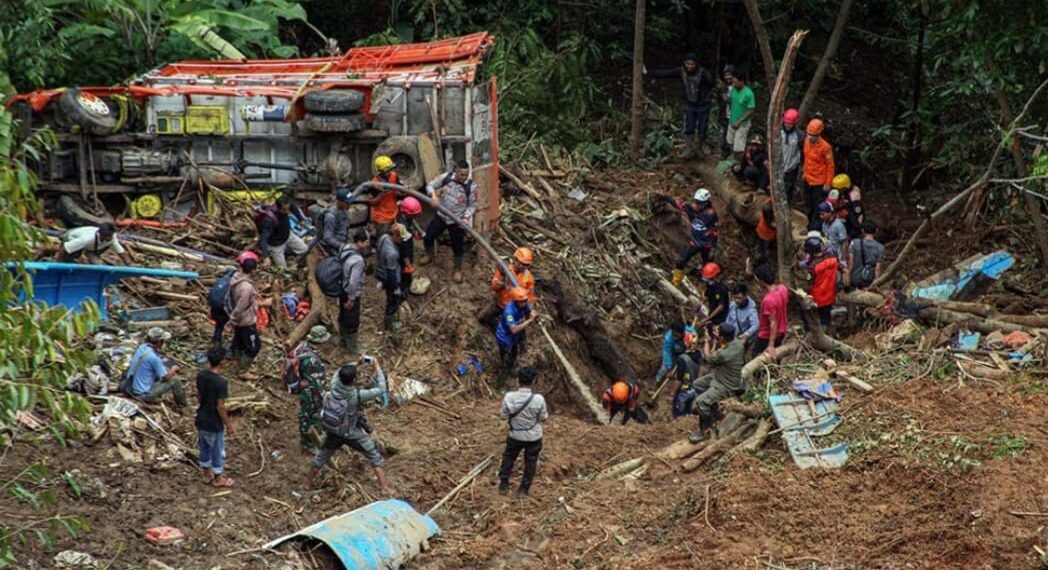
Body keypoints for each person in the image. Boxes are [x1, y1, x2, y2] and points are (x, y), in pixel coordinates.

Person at [305, 358, 392, 496]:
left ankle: (307, 485)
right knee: (374, 455)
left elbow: (339, 371)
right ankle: (384, 488)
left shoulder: (334, 386)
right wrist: (377, 367)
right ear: (354, 380)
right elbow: (381, 389)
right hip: (350, 433)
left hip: (333, 431)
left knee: (321, 458)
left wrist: (355, 364)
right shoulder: (356, 395)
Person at [646, 52, 716, 158]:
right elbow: (665, 73)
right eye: (687, 64)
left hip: (703, 105)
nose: (690, 66)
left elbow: (713, 83)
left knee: (702, 127)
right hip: (690, 104)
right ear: (684, 63)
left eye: (692, 64)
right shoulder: (681, 71)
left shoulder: (703, 72)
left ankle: (702, 144)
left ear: (696, 64)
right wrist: (648, 72)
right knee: (689, 126)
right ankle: (688, 147)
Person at [688, 323, 747, 443]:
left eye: (718, 333)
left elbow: (708, 358)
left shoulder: (723, 355)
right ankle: (713, 410)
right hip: (721, 375)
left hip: (725, 383)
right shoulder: (738, 344)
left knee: (701, 402)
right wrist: (717, 339)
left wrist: (707, 341)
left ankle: (705, 430)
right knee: (697, 385)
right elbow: (723, 346)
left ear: (722, 338)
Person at [421, 160, 476, 283]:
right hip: (441, 216)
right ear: (455, 170)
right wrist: (434, 196)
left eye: (466, 174)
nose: (464, 177)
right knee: (428, 237)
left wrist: (466, 218)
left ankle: (458, 269)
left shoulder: (470, 186)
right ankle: (429, 254)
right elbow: (430, 186)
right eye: (461, 174)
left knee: (458, 247)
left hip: (456, 221)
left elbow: (472, 206)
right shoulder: (445, 177)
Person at [497, 367, 548, 497]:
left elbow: (503, 415)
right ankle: (523, 490)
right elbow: (543, 418)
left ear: (517, 380)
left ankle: (503, 484)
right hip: (534, 437)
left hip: (515, 435)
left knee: (509, 457)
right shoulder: (539, 399)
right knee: (530, 462)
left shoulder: (509, 397)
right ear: (533, 381)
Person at [228, 250, 272, 378]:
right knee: (254, 346)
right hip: (245, 321)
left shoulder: (236, 277)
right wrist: (233, 320)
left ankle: (238, 363)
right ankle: (243, 370)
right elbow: (241, 306)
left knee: (240, 341)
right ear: (253, 270)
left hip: (239, 319)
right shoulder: (246, 288)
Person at [195, 346, 234, 487]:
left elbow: (199, 396)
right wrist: (228, 424)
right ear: (222, 361)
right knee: (217, 450)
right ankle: (218, 478)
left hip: (201, 417)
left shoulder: (201, 375)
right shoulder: (221, 383)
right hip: (214, 422)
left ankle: (206, 474)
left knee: (204, 447)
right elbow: (220, 406)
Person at [288, 326, 329, 451]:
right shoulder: (311, 360)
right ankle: (308, 443)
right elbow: (315, 382)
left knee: (307, 414)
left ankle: (311, 436)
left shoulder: (303, 347)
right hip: (311, 392)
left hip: (305, 389)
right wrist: (321, 395)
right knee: (311, 415)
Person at [126, 327, 187, 408]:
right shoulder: (154, 358)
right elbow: (165, 378)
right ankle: (182, 405)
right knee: (175, 380)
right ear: (159, 342)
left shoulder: (142, 347)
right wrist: (174, 369)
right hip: (143, 394)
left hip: (131, 388)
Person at [478, 248, 536, 327]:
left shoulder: (527, 276)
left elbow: (530, 295)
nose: (523, 267)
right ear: (515, 260)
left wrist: (530, 309)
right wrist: (502, 283)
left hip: (513, 309)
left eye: (526, 265)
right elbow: (494, 286)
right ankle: (495, 321)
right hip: (499, 303)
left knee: (508, 330)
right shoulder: (505, 269)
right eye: (522, 264)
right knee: (482, 318)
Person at [672, 188, 719, 287]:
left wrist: (713, 248)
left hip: (707, 244)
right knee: (680, 261)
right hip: (695, 242)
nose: (696, 205)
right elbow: (677, 204)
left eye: (699, 203)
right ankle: (676, 283)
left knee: (708, 269)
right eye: (696, 202)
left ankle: (708, 290)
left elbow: (715, 231)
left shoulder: (711, 215)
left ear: (706, 203)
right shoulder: (692, 208)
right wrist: (663, 198)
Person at [338, 229, 370, 354]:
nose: (368, 244)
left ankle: (342, 339)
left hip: (341, 287)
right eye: (366, 242)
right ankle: (352, 347)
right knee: (352, 319)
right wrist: (352, 298)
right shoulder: (358, 260)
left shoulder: (344, 248)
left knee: (342, 314)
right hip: (350, 292)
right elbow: (354, 281)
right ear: (359, 242)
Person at [495, 287, 537, 378]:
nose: (524, 302)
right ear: (516, 301)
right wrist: (530, 320)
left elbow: (529, 307)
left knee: (514, 352)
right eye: (522, 301)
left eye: (525, 300)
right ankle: (506, 373)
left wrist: (532, 311)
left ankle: (513, 363)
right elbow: (513, 330)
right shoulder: (509, 312)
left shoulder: (523, 304)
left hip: (514, 338)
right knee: (507, 355)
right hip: (505, 338)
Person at [258, 196, 309, 269]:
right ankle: (279, 254)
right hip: (276, 244)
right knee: (283, 268)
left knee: (304, 250)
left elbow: (294, 208)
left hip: (288, 235)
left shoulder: (287, 205)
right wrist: (266, 257)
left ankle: (291, 256)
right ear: (278, 208)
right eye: (284, 210)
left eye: (288, 208)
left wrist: (300, 219)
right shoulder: (270, 220)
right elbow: (263, 239)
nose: (288, 211)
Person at [802, 118, 835, 227]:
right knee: (808, 204)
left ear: (818, 134)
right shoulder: (806, 142)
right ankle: (809, 223)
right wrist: (804, 173)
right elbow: (806, 159)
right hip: (808, 179)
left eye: (813, 135)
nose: (810, 137)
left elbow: (830, 166)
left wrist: (827, 183)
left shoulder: (825, 147)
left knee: (818, 206)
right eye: (808, 134)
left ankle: (814, 227)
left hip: (819, 182)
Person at [753, 264, 788, 357]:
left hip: (766, 336)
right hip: (781, 332)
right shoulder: (782, 289)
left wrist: (770, 344)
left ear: (762, 282)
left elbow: (773, 322)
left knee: (757, 357)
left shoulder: (768, 300)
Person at [57, 223, 133, 265]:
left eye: (110, 236)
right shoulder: (87, 239)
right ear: (100, 234)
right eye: (106, 237)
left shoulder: (112, 237)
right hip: (71, 237)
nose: (108, 239)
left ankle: (91, 254)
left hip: (92, 248)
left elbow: (121, 253)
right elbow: (65, 248)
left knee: (99, 266)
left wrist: (130, 265)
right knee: (72, 256)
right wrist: (58, 263)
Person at [805, 236, 839, 329]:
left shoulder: (812, 267)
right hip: (830, 294)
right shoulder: (833, 259)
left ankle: (819, 336)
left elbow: (809, 282)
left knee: (816, 318)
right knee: (826, 316)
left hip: (817, 297)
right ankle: (826, 332)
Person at [375, 224, 405, 332]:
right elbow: (391, 273)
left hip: (381, 270)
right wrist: (395, 287)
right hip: (389, 276)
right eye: (401, 237)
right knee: (392, 301)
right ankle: (389, 325)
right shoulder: (392, 253)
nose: (402, 240)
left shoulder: (384, 238)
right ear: (395, 235)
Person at [667, 332, 703, 418]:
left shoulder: (682, 358)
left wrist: (671, 394)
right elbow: (688, 371)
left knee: (678, 417)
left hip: (683, 392)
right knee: (687, 416)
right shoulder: (699, 354)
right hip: (693, 390)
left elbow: (679, 380)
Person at [725, 69, 756, 163]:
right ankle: (733, 160)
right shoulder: (733, 89)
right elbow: (731, 102)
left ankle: (740, 164)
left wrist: (739, 121)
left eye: (735, 82)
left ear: (741, 81)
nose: (733, 84)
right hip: (732, 120)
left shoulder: (748, 94)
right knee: (730, 142)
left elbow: (751, 110)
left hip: (742, 124)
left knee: (739, 148)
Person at [395, 197, 425, 293]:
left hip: (404, 241)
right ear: (408, 214)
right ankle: (404, 290)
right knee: (404, 271)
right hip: (402, 250)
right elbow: (404, 249)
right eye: (414, 215)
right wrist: (408, 264)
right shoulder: (402, 228)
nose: (415, 217)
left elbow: (411, 223)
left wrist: (413, 232)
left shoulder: (401, 210)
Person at [655, 319, 698, 385]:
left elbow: (694, 341)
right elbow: (667, 353)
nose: (675, 337)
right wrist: (669, 369)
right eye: (673, 335)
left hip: (685, 351)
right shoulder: (668, 338)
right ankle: (657, 383)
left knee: (685, 368)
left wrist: (690, 346)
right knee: (664, 369)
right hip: (673, 353)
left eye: (677, 336)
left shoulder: (690, 333)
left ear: (682, 332)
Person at [369, 155, 401, 238]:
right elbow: (372, 203)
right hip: (381, 218)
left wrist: (403, 191)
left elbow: (402, 191)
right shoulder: (374, 183)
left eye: (391, 169)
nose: (390, 172)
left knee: (396, 238)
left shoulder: (394, 176)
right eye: (387, 170)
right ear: (380, 171)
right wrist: (381, 195)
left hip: (394, 213)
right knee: (383, 240)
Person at [846, 221, 884, 290]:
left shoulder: (854, 243)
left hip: (855, 279)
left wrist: (847, 280)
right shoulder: (880, 247)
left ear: (862, 230)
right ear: (876, 231)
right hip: (869, 281)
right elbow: (877, 269)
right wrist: (876, 284)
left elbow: (850, 264)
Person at [317, 187, 352, 254]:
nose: (349, 204)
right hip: (333, 248)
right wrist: (342, 246)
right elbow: (327, 238)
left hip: (342, 241)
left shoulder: (344, 211)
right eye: (347, 203)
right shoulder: (330, 216)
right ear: (339, 202)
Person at [780, 108, 804, 205]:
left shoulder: (800, 136)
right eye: (786, 123)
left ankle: (787, 204)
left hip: (792, 166)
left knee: (789, 187)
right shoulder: (778, 132)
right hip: (779, 164)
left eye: (790, 124)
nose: (788, 125)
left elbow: (803, 152)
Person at [831, 174, 865, 239]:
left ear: (844, 188)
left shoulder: (854, 196)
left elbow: (857, 217)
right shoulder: (844, 193)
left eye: (838, 189)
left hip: (854, 223)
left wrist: (851, 234)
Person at [699, 262, 729, 328]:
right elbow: (706, 295)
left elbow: (720, 307)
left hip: (721, 319)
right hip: (712, 316)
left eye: (709, 279)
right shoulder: (709, 285)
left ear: (716, 276)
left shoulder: (722, 289)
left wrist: (707, 319)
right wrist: (700, 304)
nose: (708, 281)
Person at [818, 201, 849, 267]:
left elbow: (844, 243)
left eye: (823, 214)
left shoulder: (838, 225)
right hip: (828, 255)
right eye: (820, 214)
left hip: (837, 257)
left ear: (829, 213)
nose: (821, 217)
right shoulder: (824, 224)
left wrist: (843, 260)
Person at [716, 65, 736, 159]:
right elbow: (720, 101)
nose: (728, 79)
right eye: (726, 76)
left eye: (730, 76)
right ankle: (724, 153)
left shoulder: (738, 87)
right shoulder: (723, 87)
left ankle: (733, 154)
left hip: (735, 115)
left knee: (733, 136)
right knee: (723, 135)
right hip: (724, 114)